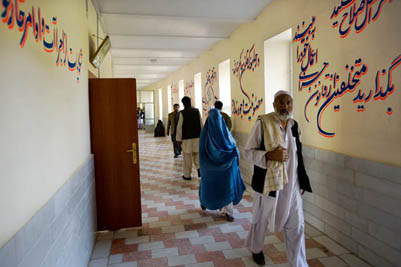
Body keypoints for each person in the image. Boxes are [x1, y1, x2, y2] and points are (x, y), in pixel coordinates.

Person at [244, 90, 312, 267]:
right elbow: (248, 152)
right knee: (260, 220)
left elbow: (298, 155)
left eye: (288, 102)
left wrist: (302, 179)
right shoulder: (263, 123)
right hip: (268, 184)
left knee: (296, 227)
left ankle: (298, 263)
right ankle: (256, 249)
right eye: (281, 102)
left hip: (292, 186)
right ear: (274, 104)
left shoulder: (294, 125)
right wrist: (268, 156)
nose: (285, 106)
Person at [198, 108, 245, 222]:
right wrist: (233, 156)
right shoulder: (224, 134)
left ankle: (207, 203)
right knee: (226, 188)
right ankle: (226, 211)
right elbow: (233, 148)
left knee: (210, 187)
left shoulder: (205, 135)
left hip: (209, 170)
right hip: (223, 169)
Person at [176, 96, 202, 180]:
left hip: (186, 139)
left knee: (187, 158)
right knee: (197, 155)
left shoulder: (182, 113)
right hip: (197, 138)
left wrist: (178, 140)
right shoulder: (197, 111)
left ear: (183, 104)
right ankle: (199, 171)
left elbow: (179, 127)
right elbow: (201, 124)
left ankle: (187, 175)